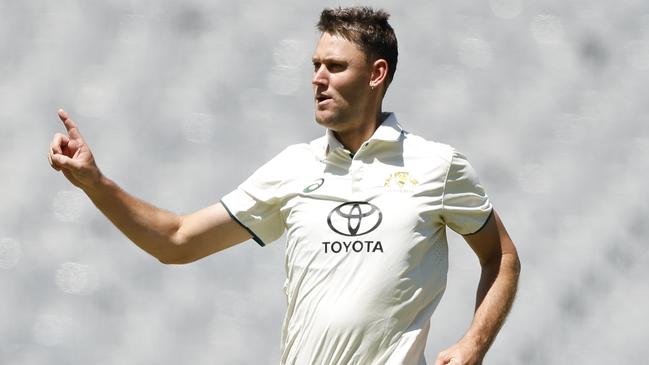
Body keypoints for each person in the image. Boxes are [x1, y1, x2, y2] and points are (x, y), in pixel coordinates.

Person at [48, 6, 520, 365]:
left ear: (377, 75)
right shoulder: (294, 167)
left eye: (335, 67)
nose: (317, 79)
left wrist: (473, 344)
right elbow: (176, 241)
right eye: (315, 65)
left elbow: (500, 257)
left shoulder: (436, 166)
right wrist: (96, 184)